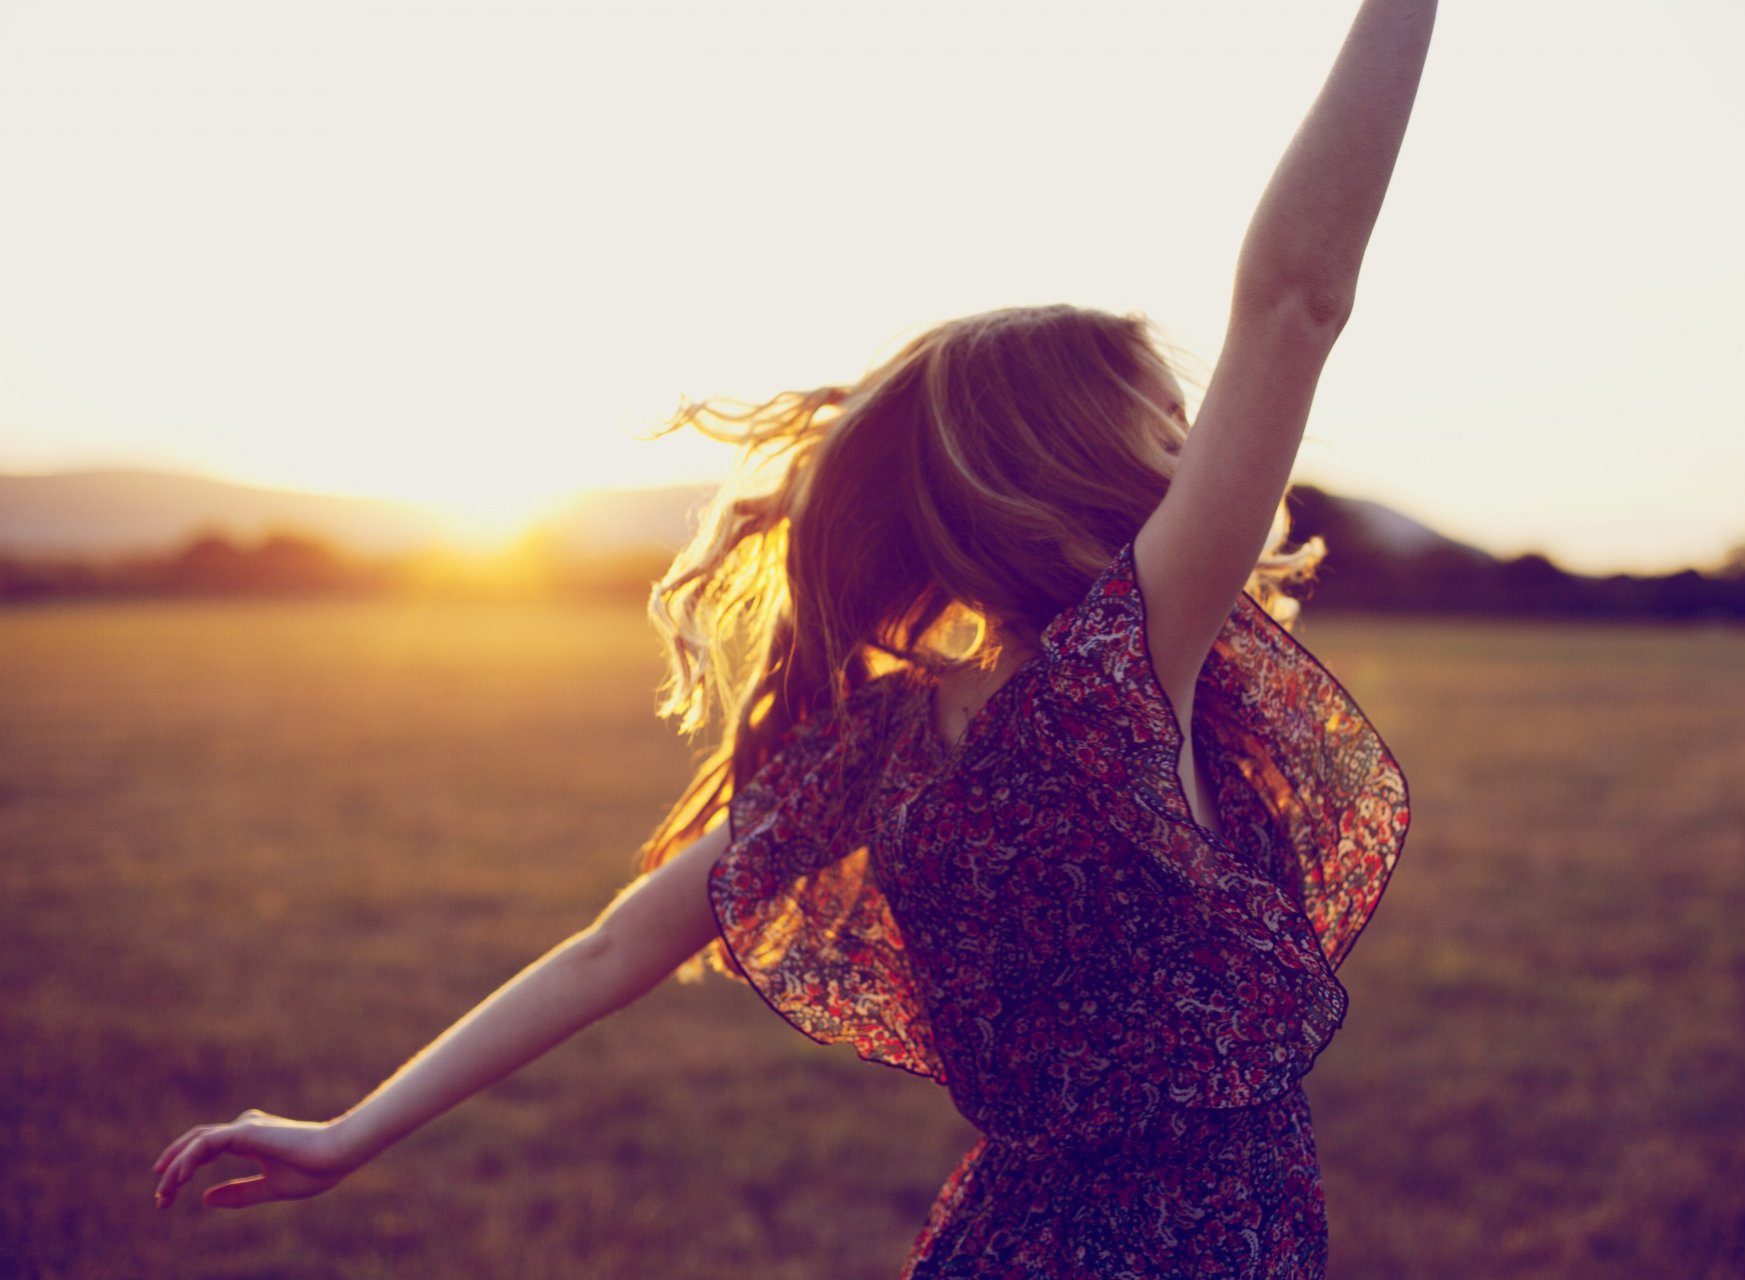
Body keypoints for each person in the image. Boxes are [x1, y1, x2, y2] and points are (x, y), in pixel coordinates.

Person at [153, 1, 1431, 1273]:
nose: (1191, 447)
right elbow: (1295, 301)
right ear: (1075, 456)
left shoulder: (880, 743)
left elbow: (616, 945)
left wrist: (353, 1127)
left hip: (1010, 1241)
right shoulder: (1116, 673)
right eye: (1169, 421)